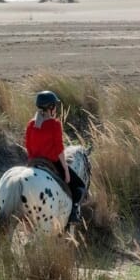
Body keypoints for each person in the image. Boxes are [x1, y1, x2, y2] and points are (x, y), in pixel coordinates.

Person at [24, 90, 86, 223]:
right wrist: (66, 170)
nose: (56, 109)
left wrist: (31, 162)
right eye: (55, 106)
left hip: (33, 163)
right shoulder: (55, 124)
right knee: (80, 186)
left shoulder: (30, 124)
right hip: (52, 162)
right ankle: (74, 213)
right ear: (50, 107)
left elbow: (28, 147)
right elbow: (59, 149)